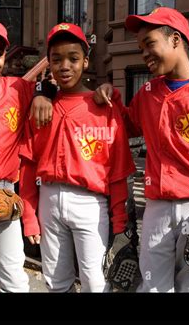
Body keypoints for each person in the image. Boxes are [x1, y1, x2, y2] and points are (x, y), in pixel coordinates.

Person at [94, 7, 189, 292]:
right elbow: (128, 126)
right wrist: (111, 98)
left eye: (150, 43)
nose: (144, 54)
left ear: (175, 40)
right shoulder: (148, 93)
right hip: (156, 208)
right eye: (141, 48)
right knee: (151, 287)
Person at [19, 23, 136, 292]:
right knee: (55, 279)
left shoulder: (103, 107)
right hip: (49, 198)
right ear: (48, 63)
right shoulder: (41, 107)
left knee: (95, 280)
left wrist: (120, 221)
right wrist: (29, 215)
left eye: (73, 58)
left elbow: (117, 169)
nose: (64, 66)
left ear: (86, 61)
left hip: (90, 203)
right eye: (56, 59)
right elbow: (28, 164)